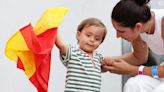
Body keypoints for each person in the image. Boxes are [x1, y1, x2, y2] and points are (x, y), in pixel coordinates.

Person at [102, 0, 164, 92]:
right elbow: (139, 57)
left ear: (138, 27)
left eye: (121, 31)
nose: (117, 36)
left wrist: (132, 70)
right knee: (134, 85)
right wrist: (107, 62)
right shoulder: (139, 23)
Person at [55, 17, 108, 92]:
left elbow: (106, 68)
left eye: (97, 39)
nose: (92, 40)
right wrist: (52, 27)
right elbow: (61, 45)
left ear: (100, 42)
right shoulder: (73, 53)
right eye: (88, 35)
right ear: (78, 35)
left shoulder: (98, 57)